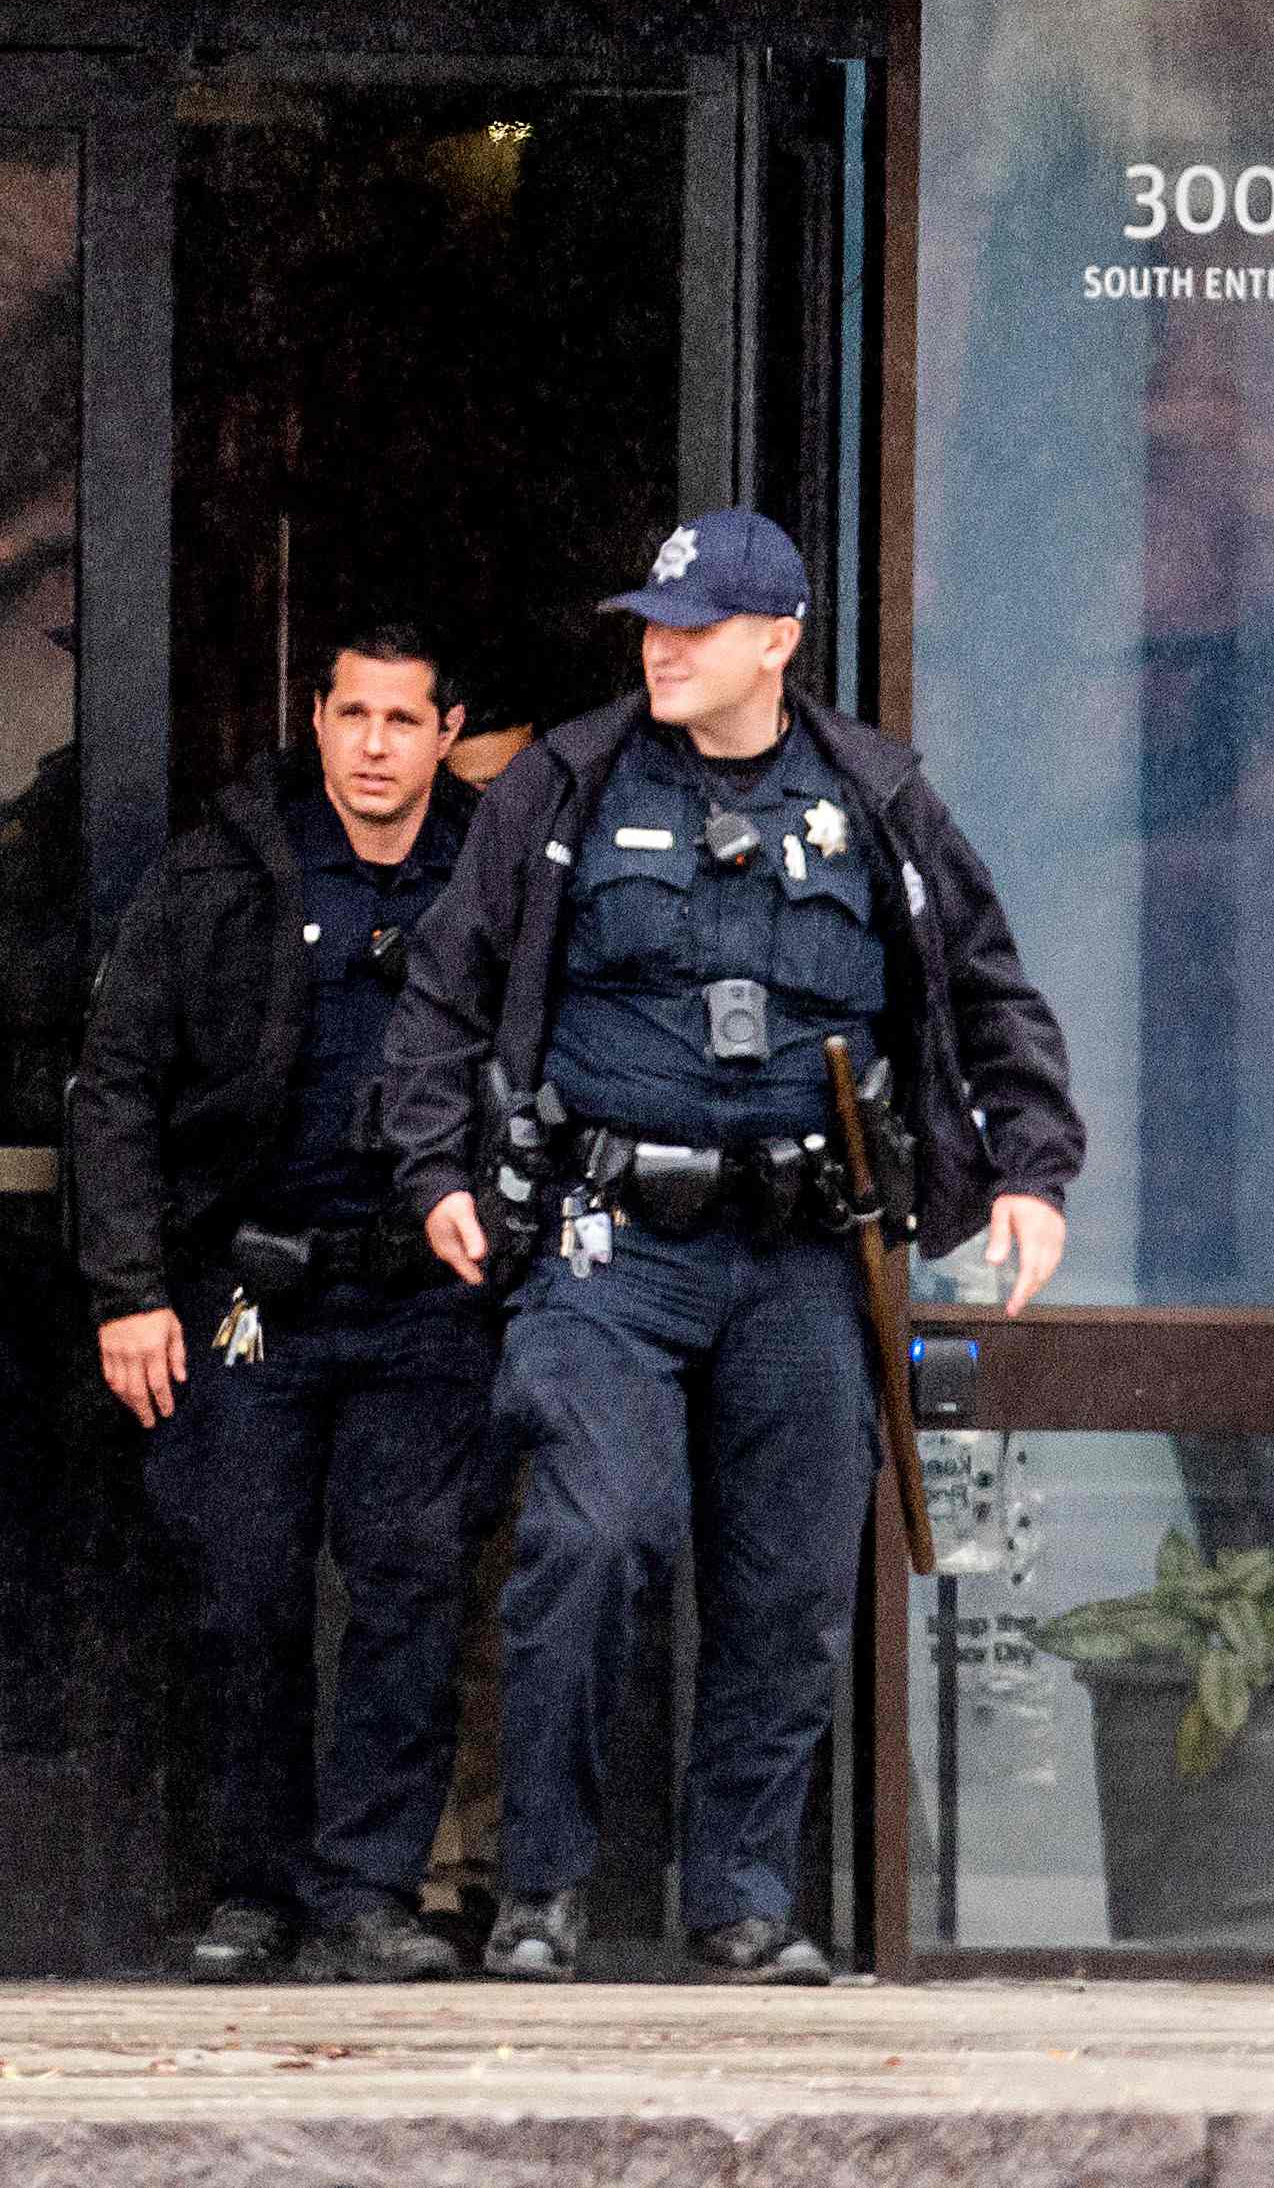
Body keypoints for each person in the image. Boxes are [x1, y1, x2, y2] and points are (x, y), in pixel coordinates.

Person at [384, 508, 1081, 1986]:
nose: (661, 646)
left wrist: (1031, 1165)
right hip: (605, 1239)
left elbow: (982, 982)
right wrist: (434, 1166)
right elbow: (444, 992)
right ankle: (543, 1887)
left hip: (803, 1251)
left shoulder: (872, 794)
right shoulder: (563, 784)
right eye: (650, 620)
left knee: (785, 1585)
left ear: (779, 639)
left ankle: (739, 1897)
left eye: (695, 627)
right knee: (591, 1534)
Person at [73, 623, 494, 1984]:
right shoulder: (223, 869)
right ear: (313, 720)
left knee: (408, 1594)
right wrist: (129, 1289)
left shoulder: (495, 873)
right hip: (249, 1292)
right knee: (242, 1592)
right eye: (350, 713)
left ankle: (369, 1892)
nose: (373, 744)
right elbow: (117, 1082)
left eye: (401, 718)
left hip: (424, 1298)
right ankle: (252, 1887)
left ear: (448, 729)